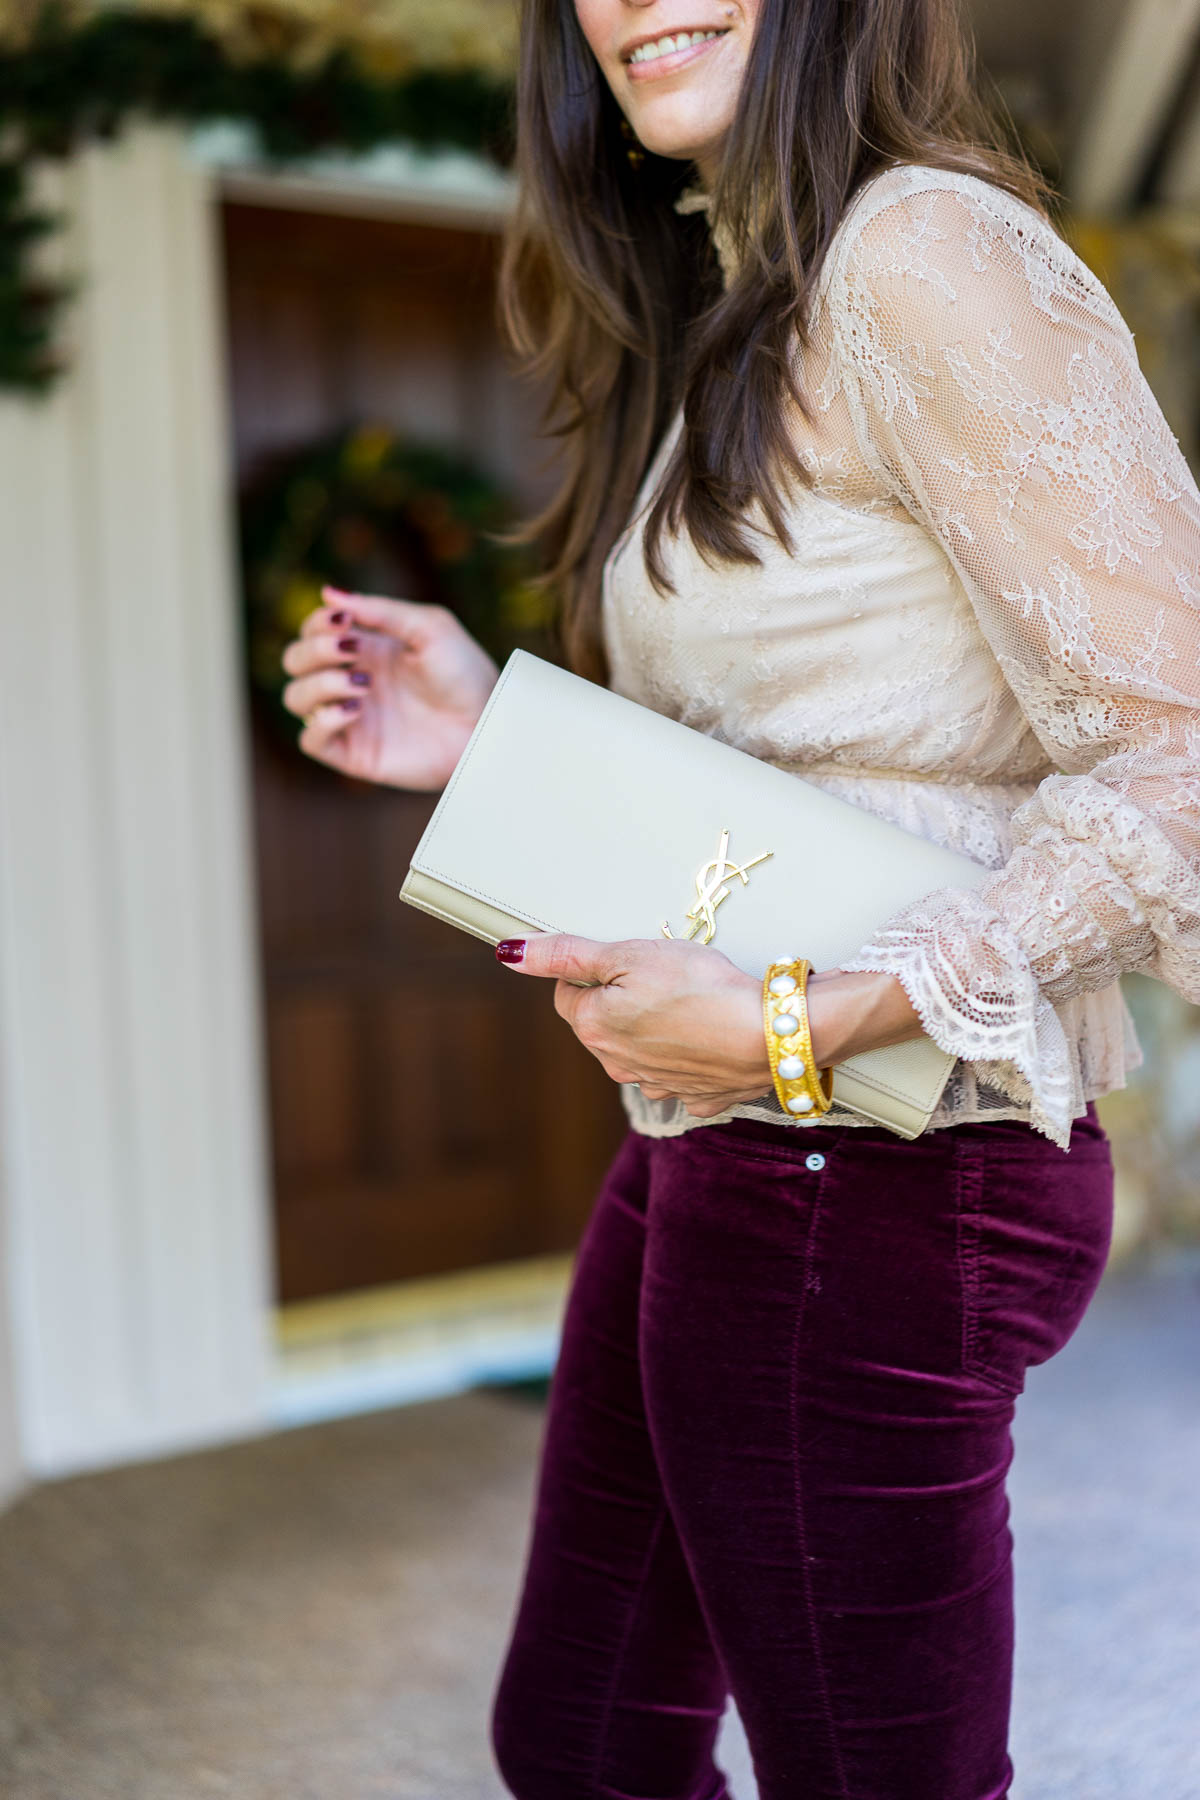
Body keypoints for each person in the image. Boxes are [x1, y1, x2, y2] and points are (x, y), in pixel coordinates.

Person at [279, 0, 1200, 1792]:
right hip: (732, 1136)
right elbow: (787, 777)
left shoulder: (921, 253)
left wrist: (810, 1021)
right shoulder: (727, 309)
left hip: (880, 1157)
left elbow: (1186, 736)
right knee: (584, 1737)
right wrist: (487, 737)